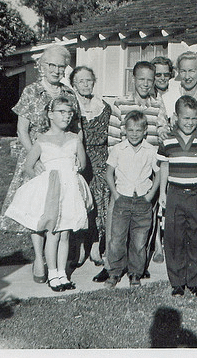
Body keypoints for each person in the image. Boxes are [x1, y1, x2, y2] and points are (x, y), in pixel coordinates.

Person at [0, 44, 80, 285]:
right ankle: (39, 258)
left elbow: (75, 129)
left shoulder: (68, 93)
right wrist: (36, 156)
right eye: (51, 65)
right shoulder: (32, 91)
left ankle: (56, 261)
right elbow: (22, 129)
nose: (56, 70)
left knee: (60, 209)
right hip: (36, 159)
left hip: (61, 158)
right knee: (38, 210)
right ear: (42, 67)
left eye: (60, 66)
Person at [3, 96, 93, 292]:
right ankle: (52, 273)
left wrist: (78, 165)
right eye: (61, 112)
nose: (67, 116)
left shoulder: (74, 138)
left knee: (65, 233)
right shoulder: (42, 140)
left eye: (70, 113)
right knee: (52, 233)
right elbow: (28, 166)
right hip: (52, 190)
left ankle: (62, 273)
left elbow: (82, 164)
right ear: (50, 115)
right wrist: (41, 180)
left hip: (70, 188)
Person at [93, 60, 164, 283]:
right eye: (141, 79)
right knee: (116, 224)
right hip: (123, 172)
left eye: (149, 80)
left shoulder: (158, 105)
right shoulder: (120, 104)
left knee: (142, 227)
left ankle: (138, 266)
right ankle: (112, 266)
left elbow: (160, 138)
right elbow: (113, 140)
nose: (145, 83)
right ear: (133, 79)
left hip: (148, 169)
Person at [157, 95, 197, 297]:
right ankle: (177, 282)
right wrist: (162, 193)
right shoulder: (167, 141)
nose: (189, 123)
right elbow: (164, 167)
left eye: (193, 118)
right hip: (175, 193)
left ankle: (194, 280)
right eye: (185, 118)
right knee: (174, 238)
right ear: (176, 117)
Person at [104, 111, 160, 288]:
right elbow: (108, 173)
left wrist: (150, 194)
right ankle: (114, 272)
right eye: (130, 130)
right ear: (125, 131)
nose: (134, 133)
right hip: (123, 199)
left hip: (143, 200)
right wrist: (115, 194)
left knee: (139, 239)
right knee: (117, 238)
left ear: (145, 131)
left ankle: (135, 273)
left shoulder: (151, 151)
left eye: (138, 130)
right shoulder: (118, 149)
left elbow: (158, 174)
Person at [69, 66, 112, 267]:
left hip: (100, 159)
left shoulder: (103, 106)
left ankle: (95, 246)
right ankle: (78, 248)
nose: (85, 85)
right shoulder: (70, 107)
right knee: (78, 202)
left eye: (89, 80)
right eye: (81, 81)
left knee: (99, 203)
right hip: (77, 159)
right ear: (73, 85)